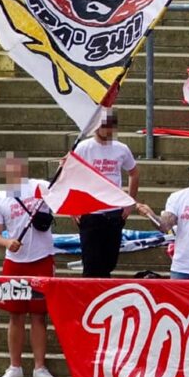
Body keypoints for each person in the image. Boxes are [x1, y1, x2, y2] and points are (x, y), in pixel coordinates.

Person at [0, 153, 57, 377]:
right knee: (15, 315)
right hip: (14, 262)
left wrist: (64, 167)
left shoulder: (41, 187)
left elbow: (60, 190)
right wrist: (7, 242)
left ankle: (40, 367)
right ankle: (15, 367)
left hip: (42, 258)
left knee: (39, 315)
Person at [72, 111, 140, 278]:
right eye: (104, 125)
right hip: (91, 213)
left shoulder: (121, 149)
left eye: (111, 126)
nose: (108, 130)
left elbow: (134, 172)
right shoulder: (83, 148)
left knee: (109, 262)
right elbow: (70, 175)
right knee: (91, 265)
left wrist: (130, 202)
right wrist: (73, 208)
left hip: (114, 213)